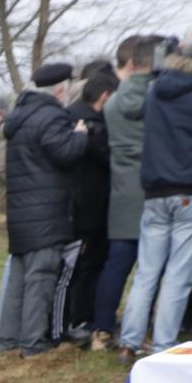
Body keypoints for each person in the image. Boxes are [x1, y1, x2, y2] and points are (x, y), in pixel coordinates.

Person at [118, 23, 192, 359]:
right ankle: (163, 345)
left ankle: (129, 341)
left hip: (157, 187)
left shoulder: (158, 87)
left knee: (148, 270)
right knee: (179, 272)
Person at [0, 62, 89, 356]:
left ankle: (8, 340)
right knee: (40, 279)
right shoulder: (51, 115)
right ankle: (33, 344)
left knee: (18, 281)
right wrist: (80, 134)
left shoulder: (19, 116)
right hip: (46, 216)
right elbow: (64, 152)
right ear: (60, 90)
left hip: (21, 215)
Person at [92, 36, 155, 351]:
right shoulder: (157, 99)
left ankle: (101, 331)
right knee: (149, 269)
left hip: (121, 192)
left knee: (116, 265)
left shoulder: (114, 103)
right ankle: (140, 331)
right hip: (152, 191)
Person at [60, 70, 116, 343]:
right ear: (105, 97)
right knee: (85, 267)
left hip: (78, 206)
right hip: (89, 208)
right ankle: (78, 319)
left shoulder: (68, 117)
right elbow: (108, 158)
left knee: (79, 267)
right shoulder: (93, 126)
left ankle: (76, 317)